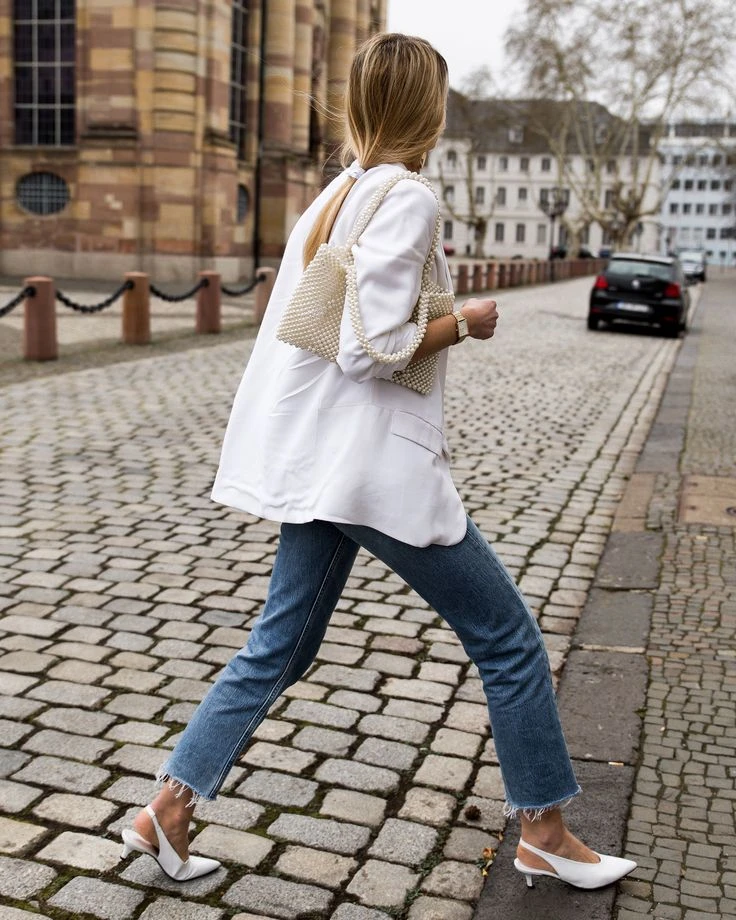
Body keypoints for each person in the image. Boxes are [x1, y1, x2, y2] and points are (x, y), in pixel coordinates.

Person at [121, 32, 636, 892]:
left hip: (326, 464)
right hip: (371, 470)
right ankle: (544, 828)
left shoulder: (337, 193)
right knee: (506, 634)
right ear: (425, 108)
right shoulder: (407, 199)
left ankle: (167, 809)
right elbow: (373, 350)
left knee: (283, 643)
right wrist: (464, 321)